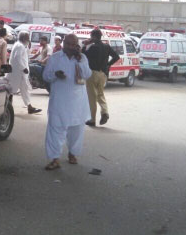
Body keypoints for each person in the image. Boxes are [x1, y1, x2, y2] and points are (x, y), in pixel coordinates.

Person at [42, 34, 92, 170]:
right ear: (63, 44)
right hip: (59, 101)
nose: (70, 47)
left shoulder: (82, 58)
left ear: (77, 45)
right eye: (68, 44)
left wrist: (80, 60)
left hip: (78, 102)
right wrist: (55, 75)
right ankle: (54, 159)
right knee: (55, 129)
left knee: (76, 130)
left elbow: (87, 75)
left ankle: (73, 153)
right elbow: (45, 76)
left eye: (73, 44)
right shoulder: (55, 58)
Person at [82, 29, 120, 126]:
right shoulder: (106, 46)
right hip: (103, 74)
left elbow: (83, 55)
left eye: (91, 36)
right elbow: (116, 56)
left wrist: (85, 45)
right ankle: (104, 112)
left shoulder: (93, 47)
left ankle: (92, 119)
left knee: (92, 97)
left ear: (93, 37)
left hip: (92, 73)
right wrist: (108, 65)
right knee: (100, 94)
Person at [7, 31, 41, 114]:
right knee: (11, 90)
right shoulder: (20, 46)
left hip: (19, 72)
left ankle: (29, 107)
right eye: (27, 38)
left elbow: (23, 56)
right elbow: (17, 57)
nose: (29, 39)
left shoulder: (20, 45)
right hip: (19, 72)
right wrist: (23, 68)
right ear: (23, 38)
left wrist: (28, 47)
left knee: (23, 90)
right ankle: (7, 106)